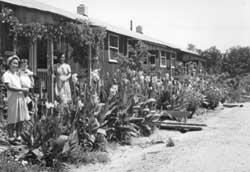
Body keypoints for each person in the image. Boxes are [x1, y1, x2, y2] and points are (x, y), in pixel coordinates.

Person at [2, 55, 30, 141]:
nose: (16, 65)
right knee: (12, 118)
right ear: (9, 64)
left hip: (21, 97)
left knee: (21, 118)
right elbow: (9, 87)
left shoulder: (17, 74)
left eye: (17, 64)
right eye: (14, 63)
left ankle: (18, 135)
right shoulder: (7, 74)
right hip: (12, 98)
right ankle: (11, 137)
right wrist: (22, 89)